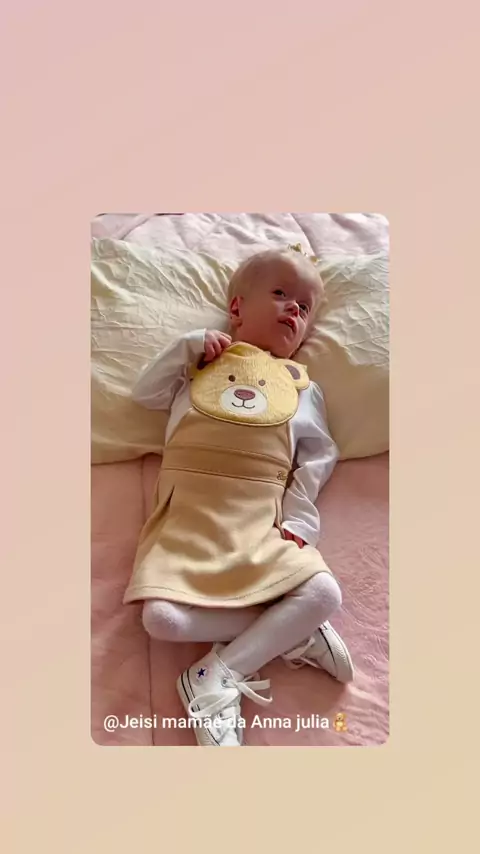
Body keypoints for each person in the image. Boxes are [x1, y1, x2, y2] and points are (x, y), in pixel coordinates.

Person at [124, 246, 354, 747]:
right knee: (160, 618)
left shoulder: (302, 387)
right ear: (236, 307)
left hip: (256, 516)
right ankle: (291, 631)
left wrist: (299, 518)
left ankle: (215, 675)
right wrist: (186, 348)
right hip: (188, 512)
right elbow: (145, 394)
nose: (294, 308)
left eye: (305, 307)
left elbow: (318, 456)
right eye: (281, 293)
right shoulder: (201, 360)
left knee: (324, 593)